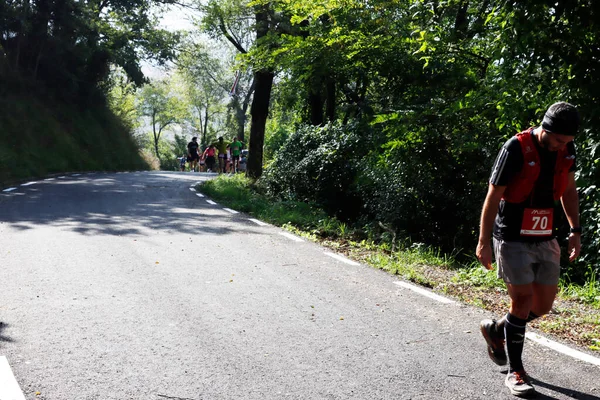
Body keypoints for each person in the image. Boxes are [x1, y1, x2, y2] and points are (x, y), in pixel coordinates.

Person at [476, 102, 582, 397]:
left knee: (543, 306)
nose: (563, 146)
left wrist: (575, 231)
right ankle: (516, 371)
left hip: (546, 237)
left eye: (568, 141)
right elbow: (493, 195)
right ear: (545, 129)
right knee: (521, 301)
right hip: (512, 237)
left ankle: (498, 330)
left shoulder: (567, 150)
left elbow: (570, 190)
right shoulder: (515, 148)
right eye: (559, 140)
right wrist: (484, 241)